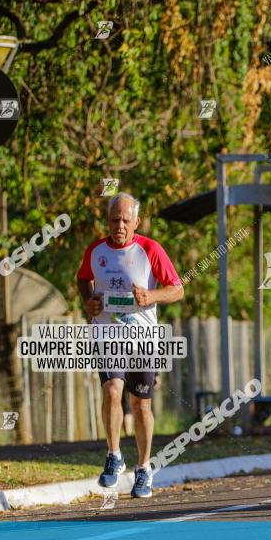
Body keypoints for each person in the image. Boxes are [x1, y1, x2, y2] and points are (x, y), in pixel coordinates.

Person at [77, 192, 184, 498]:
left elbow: (177, 289)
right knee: (112, 389)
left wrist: (152, 296)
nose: (119, 225)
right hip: (107, 334)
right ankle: (113, 455)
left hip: (142, 338)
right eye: (114, 219)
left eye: (126, 220)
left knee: (141, 404)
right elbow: (83, 279)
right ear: (107, 221)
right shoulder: (96, 250)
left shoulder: (150, 250)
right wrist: (88, 300)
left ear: (137, 221)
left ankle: (143, 468)